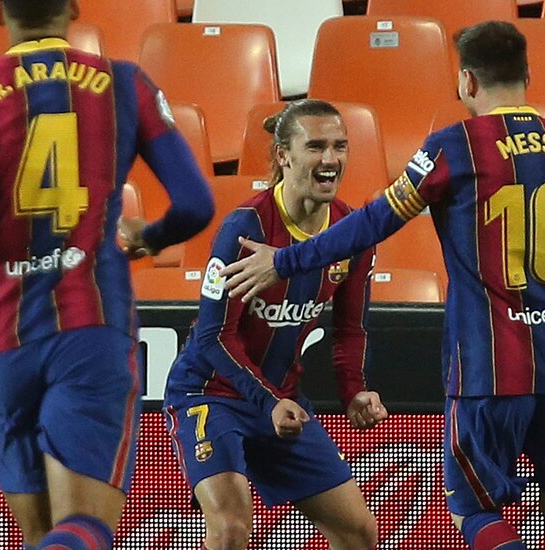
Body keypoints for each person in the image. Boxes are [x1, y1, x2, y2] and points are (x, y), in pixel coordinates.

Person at [221, 21, 545, 550]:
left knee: (475, 505)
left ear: (467, 82)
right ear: (528, 75)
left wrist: (288, 260)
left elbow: (374, 221)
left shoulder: (456, 148)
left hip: (489, 364)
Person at [0, 0, 214, 548]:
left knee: (43, 535)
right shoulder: (124, 84)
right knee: (84, 529)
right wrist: (151, 237)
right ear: (72, 7)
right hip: (89, 325)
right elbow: (194, 202)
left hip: (1, 334)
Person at [163, 99, 389, 550]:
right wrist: (267, 402)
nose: (331, 159)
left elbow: (349, 330)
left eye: (340, 146)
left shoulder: (352, 231)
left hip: (281, 400)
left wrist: (354, 390)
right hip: (212, 394)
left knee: (360, 531)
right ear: (284, 155)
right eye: (316, 147)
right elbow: (212, 336)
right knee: (230, 529)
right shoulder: (244, 229)